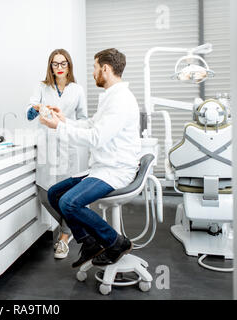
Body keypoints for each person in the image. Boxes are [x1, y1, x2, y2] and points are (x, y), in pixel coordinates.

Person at [40, 48, 141, 267]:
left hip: (115, 170)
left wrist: (58, 128)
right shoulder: (110, 97)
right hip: (102, 167)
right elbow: (92, 124)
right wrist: (64, 120)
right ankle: (88, 242)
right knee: (55, 193)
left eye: (95, 68)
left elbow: (95, 138)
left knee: (69, 202)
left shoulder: (120, 101)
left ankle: (116, 241)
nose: (93, 73)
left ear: (105, 69)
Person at [26, 48, 88, 259]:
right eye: (55, 63)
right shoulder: (42, 87)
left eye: (63, 63)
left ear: (69, 66)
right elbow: (29, 115)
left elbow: (84, 120)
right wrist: (37, 107)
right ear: (50, 66)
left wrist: (64, 121)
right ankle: (72, 227)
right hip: (46, 145)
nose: (59, 68)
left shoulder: (77, 90)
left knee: (65, 196)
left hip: (68, 145)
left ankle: (64, 238)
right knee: (45, 194)